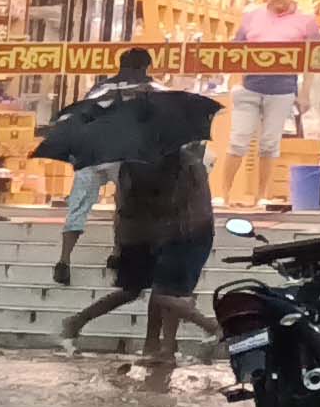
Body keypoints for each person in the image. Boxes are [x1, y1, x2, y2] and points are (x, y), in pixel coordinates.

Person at [56, 138, 215, 376]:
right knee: (155, 290)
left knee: (162, 289)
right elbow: (127, 203)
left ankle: (161, 347)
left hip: (168, 232)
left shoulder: (178, 163)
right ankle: (201, 330)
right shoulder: (145, 164)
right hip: (148, 232)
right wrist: (121, 244)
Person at [50, 47, 160, 289]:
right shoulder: (151, 90)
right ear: (143, 68)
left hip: (89, 154)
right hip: (121, 156)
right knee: (124, 204)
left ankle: (64, 260)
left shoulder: (101, 88)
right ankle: (117, 252)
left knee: (78, 206)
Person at [230, 0, 318, 205]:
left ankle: (260, 196)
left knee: (270, 143)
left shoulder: (307, 21)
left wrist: (306, 93)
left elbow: (315, 59)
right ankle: (224, 195)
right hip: (249, 86)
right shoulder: (251, 16)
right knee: (238, 140)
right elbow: (233, 50)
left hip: (283, 89)